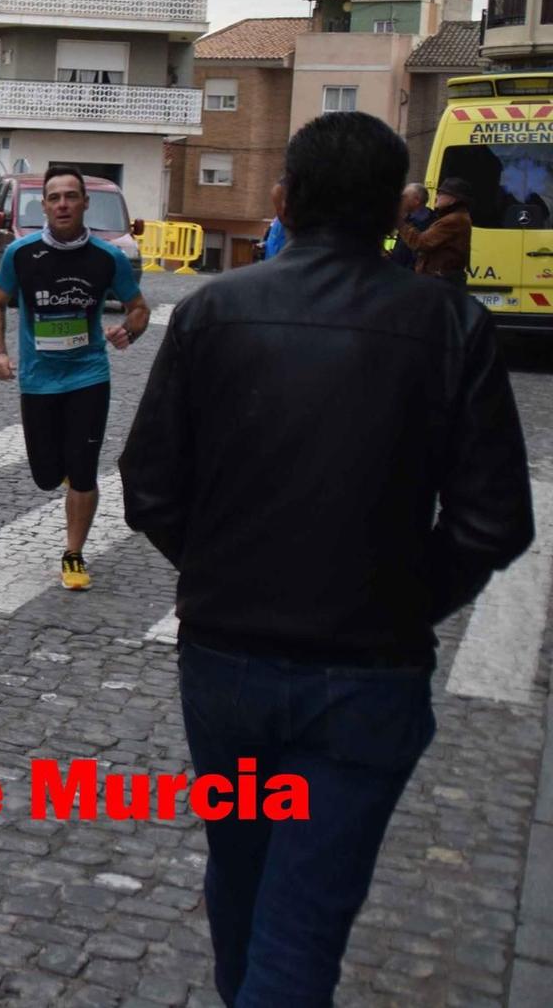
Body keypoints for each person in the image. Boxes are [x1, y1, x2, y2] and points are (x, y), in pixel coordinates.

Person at [120, 111, 532, 1007]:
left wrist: (220, 570)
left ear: (282, 199)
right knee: (300, 919)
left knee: (243, 875)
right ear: (396, 211)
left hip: (227, 666)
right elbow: (495, 520)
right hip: (367, 676)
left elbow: (149, 487)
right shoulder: (450, 323)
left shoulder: (215, 311)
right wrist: (405, 598)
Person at [0, 163, 149, 592]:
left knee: (83, 470)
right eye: (53, 197)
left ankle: (73, 553)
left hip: (88, 375)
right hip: (38, 380)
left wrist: (127, 330)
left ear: (84, 203)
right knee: (44, 474)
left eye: (70, 196)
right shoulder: (22, 254)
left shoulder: (108, 258)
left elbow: (139, 307)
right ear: (45, 206)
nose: (62, 205)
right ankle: (60, 472)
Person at [399, 175, 473, 284]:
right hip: (440, 281)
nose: (437, 196)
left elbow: (421, 243)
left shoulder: (452, 220)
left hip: (441, 282)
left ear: (453, 199)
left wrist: (399, 223)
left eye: (441, 194)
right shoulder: (453, 218)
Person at [388, 182, 432, 268]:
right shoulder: (408, 218)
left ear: (416, 200)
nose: (401, 200)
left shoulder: (427, 222)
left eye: (405, 196)